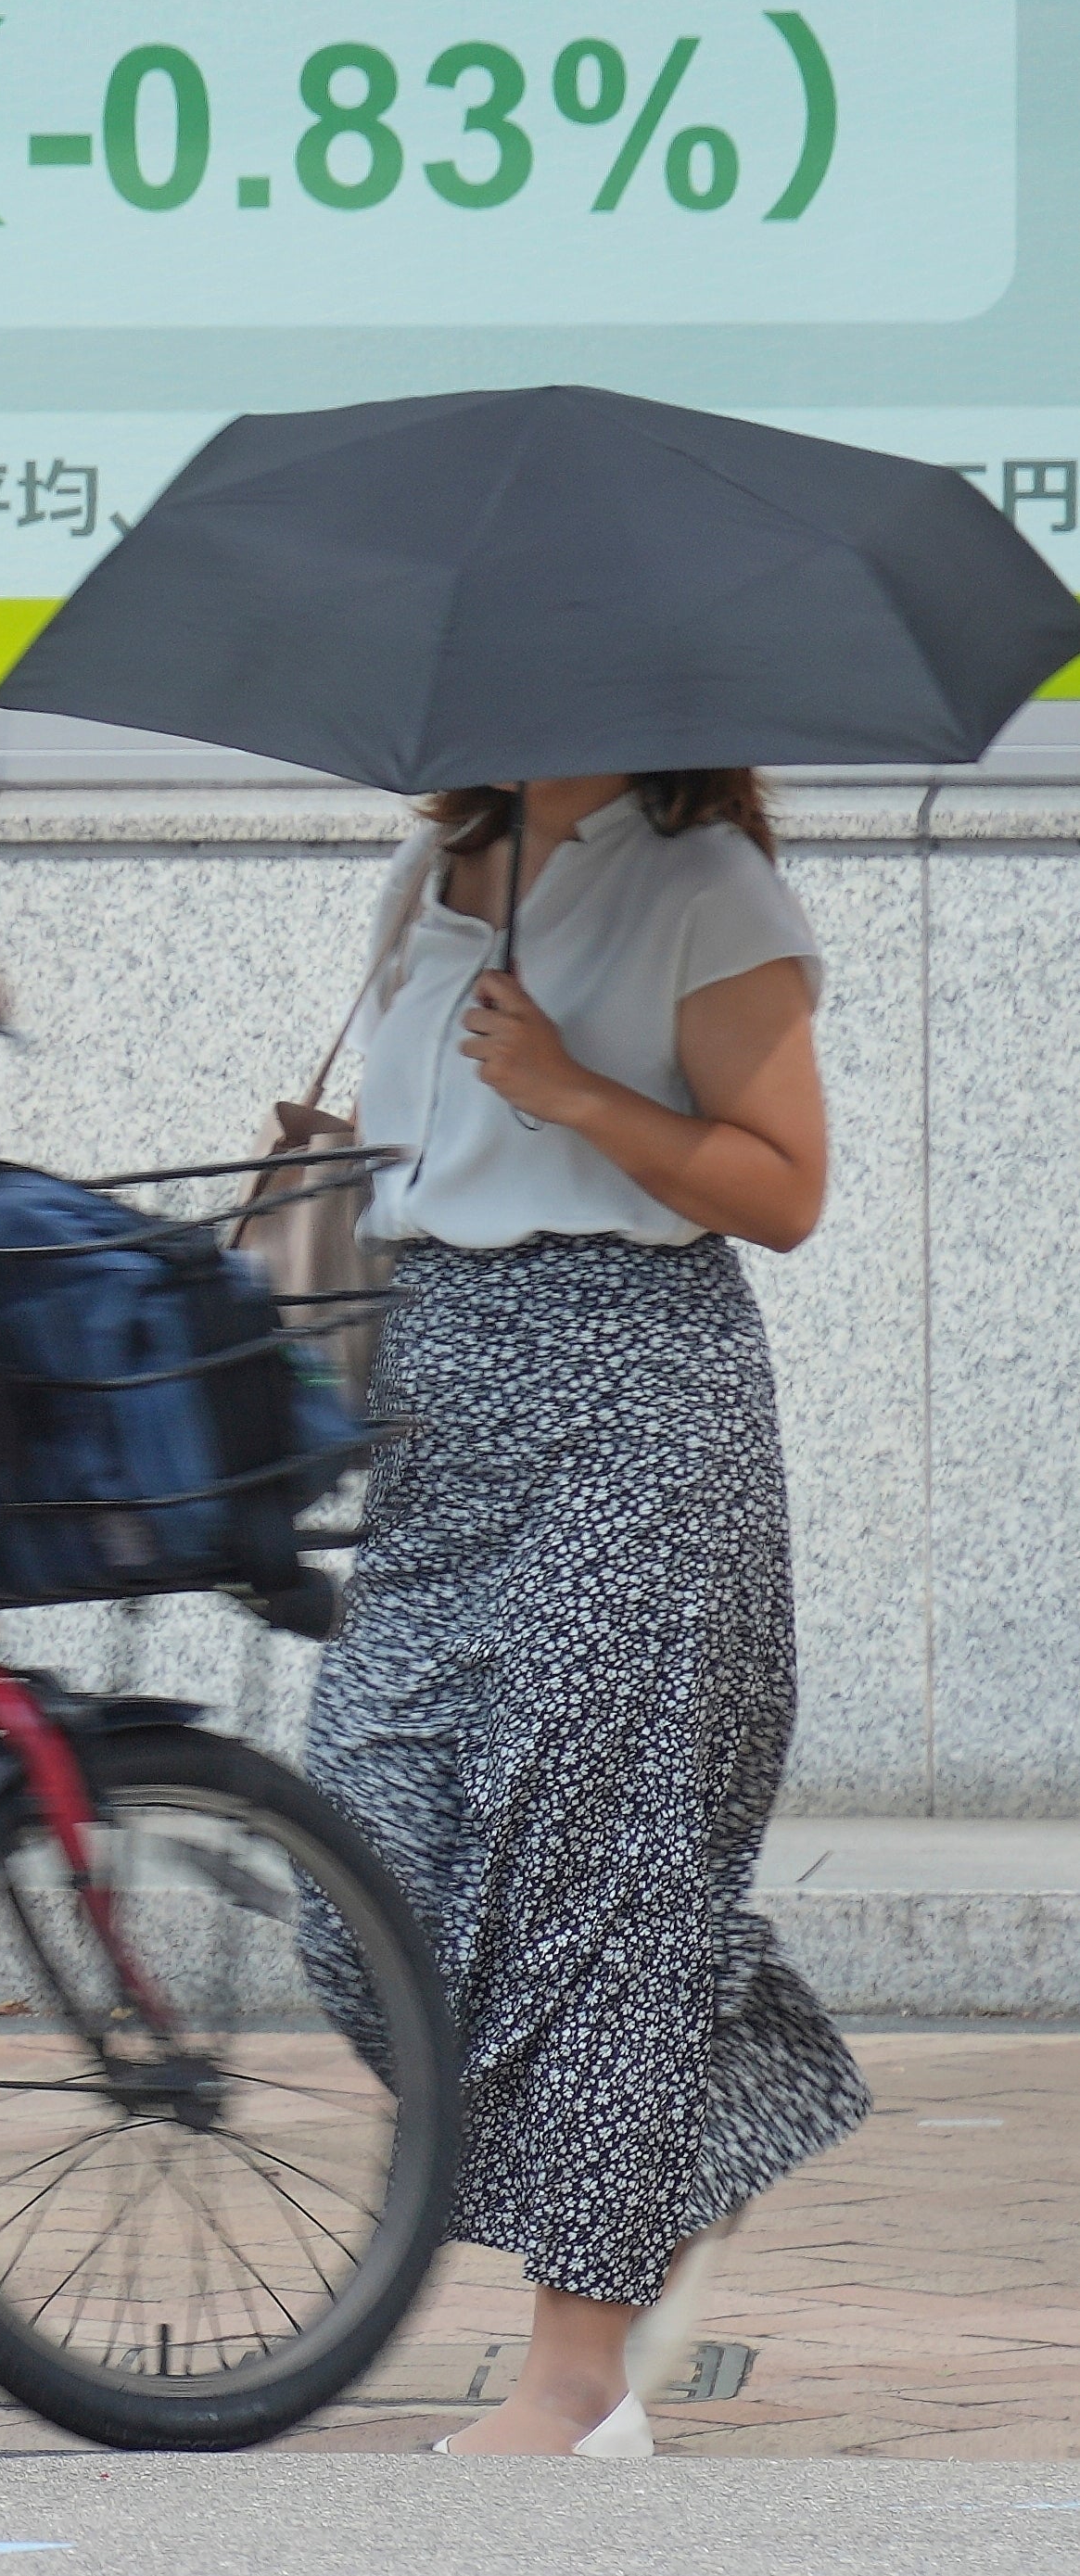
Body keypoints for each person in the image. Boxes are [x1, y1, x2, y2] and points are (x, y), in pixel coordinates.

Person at [312, 768, 863, 2459]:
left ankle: (576, 2381)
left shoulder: (704, 885)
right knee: (358, 1889)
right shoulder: (438, 861)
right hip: (436, 1408)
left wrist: (566, 1093)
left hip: (630, 1398)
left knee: (597, 1880)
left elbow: (780, 1189)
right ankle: (681, 2133)